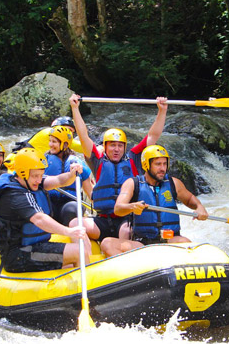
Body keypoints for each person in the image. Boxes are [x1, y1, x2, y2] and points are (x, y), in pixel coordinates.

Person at [68, 93, 169, 249]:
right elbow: (83, 135)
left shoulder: (134, 158)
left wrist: (162, 111)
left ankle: (125, 261)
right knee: (75, 223)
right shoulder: (97, 160)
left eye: (120, 145)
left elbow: (152, 135)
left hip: (127, 219)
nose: (116, 149)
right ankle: (85, 259)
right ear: (105, 146)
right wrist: (75, 108)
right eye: (112, 145)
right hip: (102, 219)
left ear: (125, 147)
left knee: (125, 232)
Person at [0, 147, 90, 273]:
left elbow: (59, 180)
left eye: (41, 175)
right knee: (79, 252)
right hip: (19, 255)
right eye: (35, 176)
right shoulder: (13, 195)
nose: (39, 179)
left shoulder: (30, 181)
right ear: (22, 173)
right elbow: (39, 219)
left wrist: (72, 174)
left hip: (35, 247)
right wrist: (67, 231)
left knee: (75, 259)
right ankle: (88, 291)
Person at [103, 145, 209, 256]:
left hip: (169, 240)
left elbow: (190, 199)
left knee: (186, 242)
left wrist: (199, 207)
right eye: (158, 164)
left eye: (164, 164)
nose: (162, 168)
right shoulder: (132, 183)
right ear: (146, 165)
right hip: (142, 244)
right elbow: (118, 208)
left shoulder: (174, 183)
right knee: (107, 243)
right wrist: (132, 207)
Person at [44, 125, 93, 225]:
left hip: (69, 204)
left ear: (65, 145)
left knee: (70, 210)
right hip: (50, 203)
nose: (50, 144)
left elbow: (91, 193)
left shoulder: (77, 163)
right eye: (50, 141)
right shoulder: (43, 160)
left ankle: (72, 234)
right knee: (42, 206)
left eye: (54, 142)